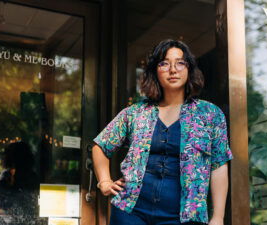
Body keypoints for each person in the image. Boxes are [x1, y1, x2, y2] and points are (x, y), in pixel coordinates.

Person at [92, 39, 233, 225]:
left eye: (180, 63)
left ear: (189, 69)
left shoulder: (210, 114)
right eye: (164, 63)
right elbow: (100, 145)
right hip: (131, 212)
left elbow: (219, 165)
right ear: (155, 71)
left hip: (184, 216)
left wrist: (218, 217)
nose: (173, 70)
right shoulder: (136, 112)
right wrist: (104, 182)